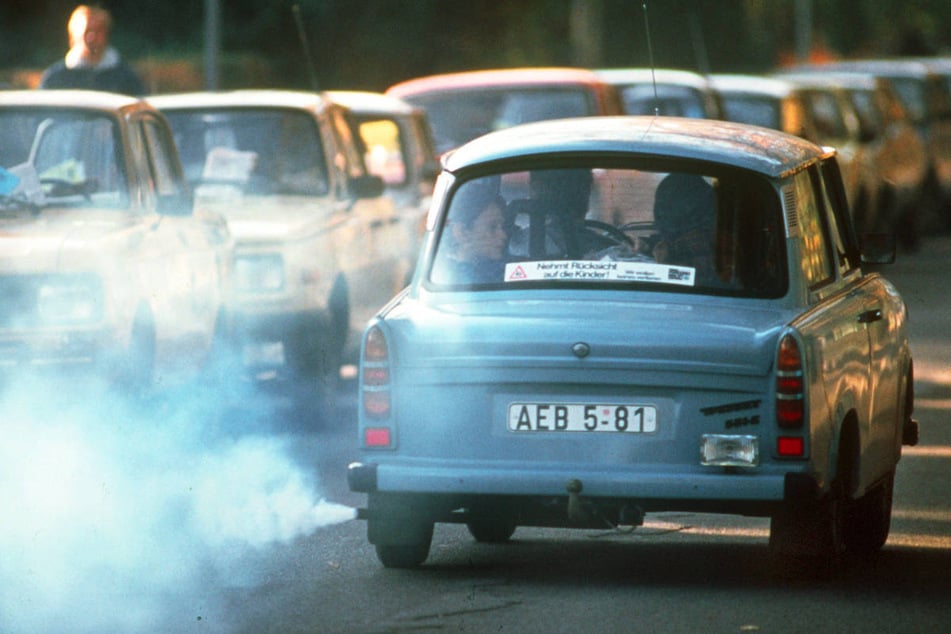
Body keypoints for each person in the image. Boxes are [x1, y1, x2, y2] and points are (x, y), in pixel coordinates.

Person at [39, 5, 146, 96]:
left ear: (107, 35)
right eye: (87, 31)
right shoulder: (55, 78)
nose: (92, 37)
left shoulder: (127, 78)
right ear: (72, 36)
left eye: (98, 31)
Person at [651, 172, 718, 282]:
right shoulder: (692, 237)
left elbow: (681, 279)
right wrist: (646, 246)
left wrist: (665, 262)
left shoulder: (700, 244)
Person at [439, 184, 508, 284]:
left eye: (502, 227)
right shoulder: (449, 281)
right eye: (492, 227)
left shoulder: (439, 274)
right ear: (462, 232)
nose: (503, 236)